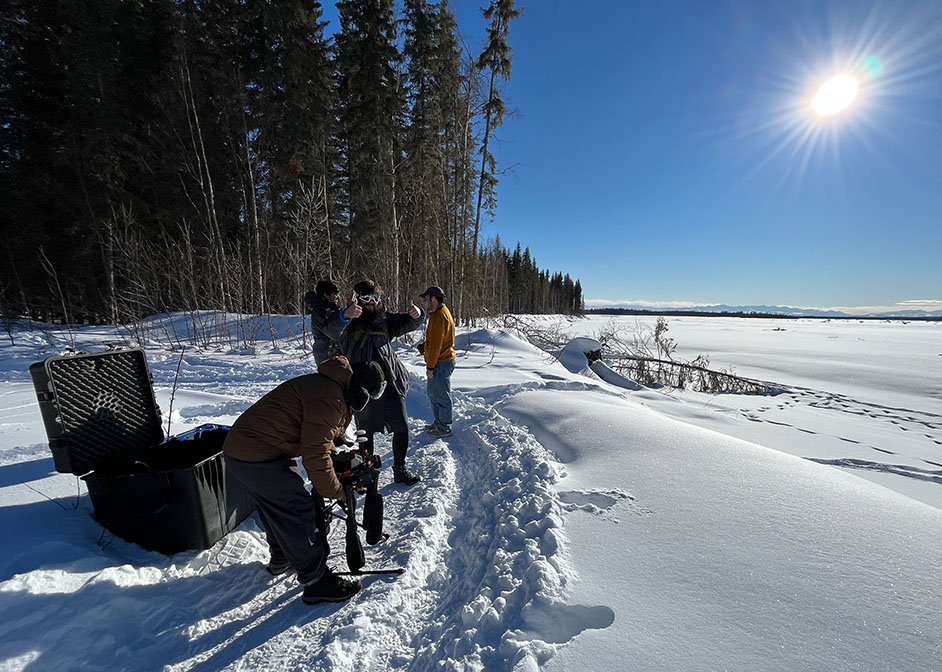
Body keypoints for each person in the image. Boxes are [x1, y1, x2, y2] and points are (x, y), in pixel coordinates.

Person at [223, 356, 386, 605]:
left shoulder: (331, 384)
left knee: (275, 504)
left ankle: (283, 555)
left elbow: (314, 428)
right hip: (257, 452)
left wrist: (334, 440)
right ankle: (316, 581)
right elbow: (315, 455)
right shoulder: (331, 397)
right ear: (361, 390)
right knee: (296, 508)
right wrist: (338, 491)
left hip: (252, 449)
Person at [325, 279, 425, 486]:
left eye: (375, 298)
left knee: (401, 427)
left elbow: (409, 322)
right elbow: (330, 330)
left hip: (390, 382)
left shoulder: (385, 320)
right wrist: (345, 315)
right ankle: (366, 471)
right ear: (357, 299)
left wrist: (418, 315)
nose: (371, 302)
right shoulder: (350, 321)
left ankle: (400, 469)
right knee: (365, 432)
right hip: (363, 385)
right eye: (366, 298)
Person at [419, 286, 456, 438]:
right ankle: (439, 422)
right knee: (433, 394)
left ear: (433, 299)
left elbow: (436, 345)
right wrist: (425, 347)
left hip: (441, 362)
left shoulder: (438, 316)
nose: (424, 302)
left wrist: (430, 366)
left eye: (426, 299)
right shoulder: (440, 313)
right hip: (440, 360)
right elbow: (435, 342)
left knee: (441, 395)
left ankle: (444, 427)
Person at [305, 280, 341, 366]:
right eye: (334, 294)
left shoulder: (329, 308)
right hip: (325, 353)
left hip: (331, 351)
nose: (337, 297)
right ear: (326, 294)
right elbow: (333, 327)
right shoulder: (320, 311)